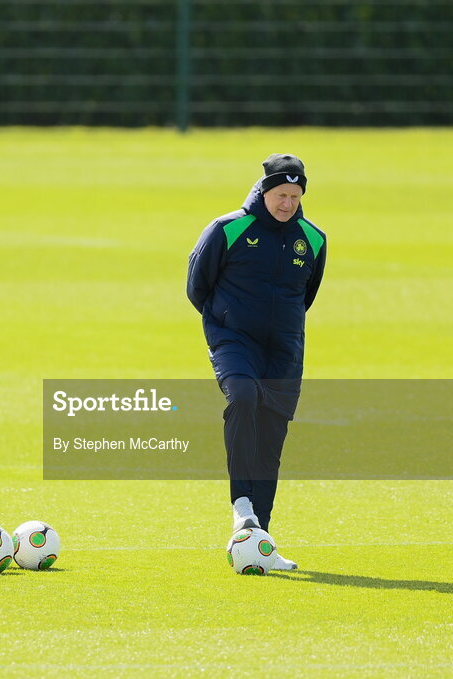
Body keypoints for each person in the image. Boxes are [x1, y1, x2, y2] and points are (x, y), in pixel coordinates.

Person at [186, 153, 326, 570]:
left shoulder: (313, 239)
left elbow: (307, 295)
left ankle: (256, 540)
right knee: (243, 395)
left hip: (284, 348)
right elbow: (198, 286)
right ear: (265, 191)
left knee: (271, 438)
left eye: (295, 196)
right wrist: (227, 323)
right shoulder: (228, 229)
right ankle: (241, 501)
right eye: (281, 194)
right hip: (233, 338)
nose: (288, 204)